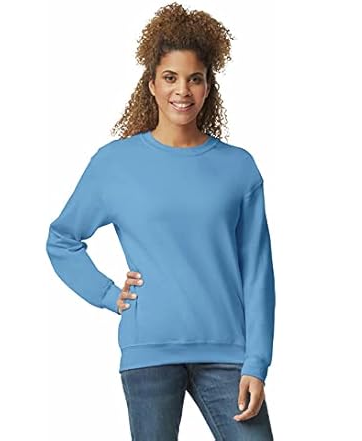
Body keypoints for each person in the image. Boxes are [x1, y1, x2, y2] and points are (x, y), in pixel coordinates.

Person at [46, 3, 276, 440]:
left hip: (228, 351)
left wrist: (257, 361)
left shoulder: (238, 167)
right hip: (148, 350)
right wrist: (107, 294)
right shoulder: (115, 164)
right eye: (170, 77)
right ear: (151, 84)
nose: (182, 90)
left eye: (195, 78)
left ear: (208, 87)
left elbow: (257, 272)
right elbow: (62, 239)